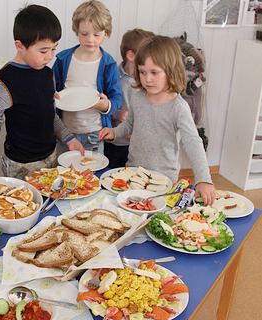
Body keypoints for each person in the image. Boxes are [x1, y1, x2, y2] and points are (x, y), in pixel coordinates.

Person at [99, 35, 216, 205]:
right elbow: (130, 125)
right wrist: (114, 133)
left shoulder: (179, 107)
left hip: (164, 181)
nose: (147, 79)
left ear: (171, 70)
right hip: (134, 173)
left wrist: (204, 178)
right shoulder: (138, 98)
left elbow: (193, 142)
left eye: (154, 72)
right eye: (142, 72)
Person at [0, 5, 84, 181]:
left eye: (53, 49)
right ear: (20, 45)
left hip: (51, 157)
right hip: (20, 165)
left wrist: (69, 138)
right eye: (43, 51)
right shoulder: (4, 80)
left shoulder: (47, 74)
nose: (49, 56)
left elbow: (50, 114)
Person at [52, 0, 122, 156]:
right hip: (65, 134)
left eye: (96, 35)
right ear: (76, 31)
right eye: (84, 34)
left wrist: (105, 105)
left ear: (106, 34)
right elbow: (50, 89)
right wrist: (53, 95)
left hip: (95, 133)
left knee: (93, 176)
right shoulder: (63, 60)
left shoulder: (108, 65)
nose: (90, 39)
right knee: (65, 174)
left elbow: (116, 98)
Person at [104, 28, 155, 168]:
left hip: (138, 146)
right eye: (148, 55)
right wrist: (117, 113)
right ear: (131, 56)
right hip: (115, 143)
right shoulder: (113, 77)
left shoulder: (149, 82)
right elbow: (102, 105)